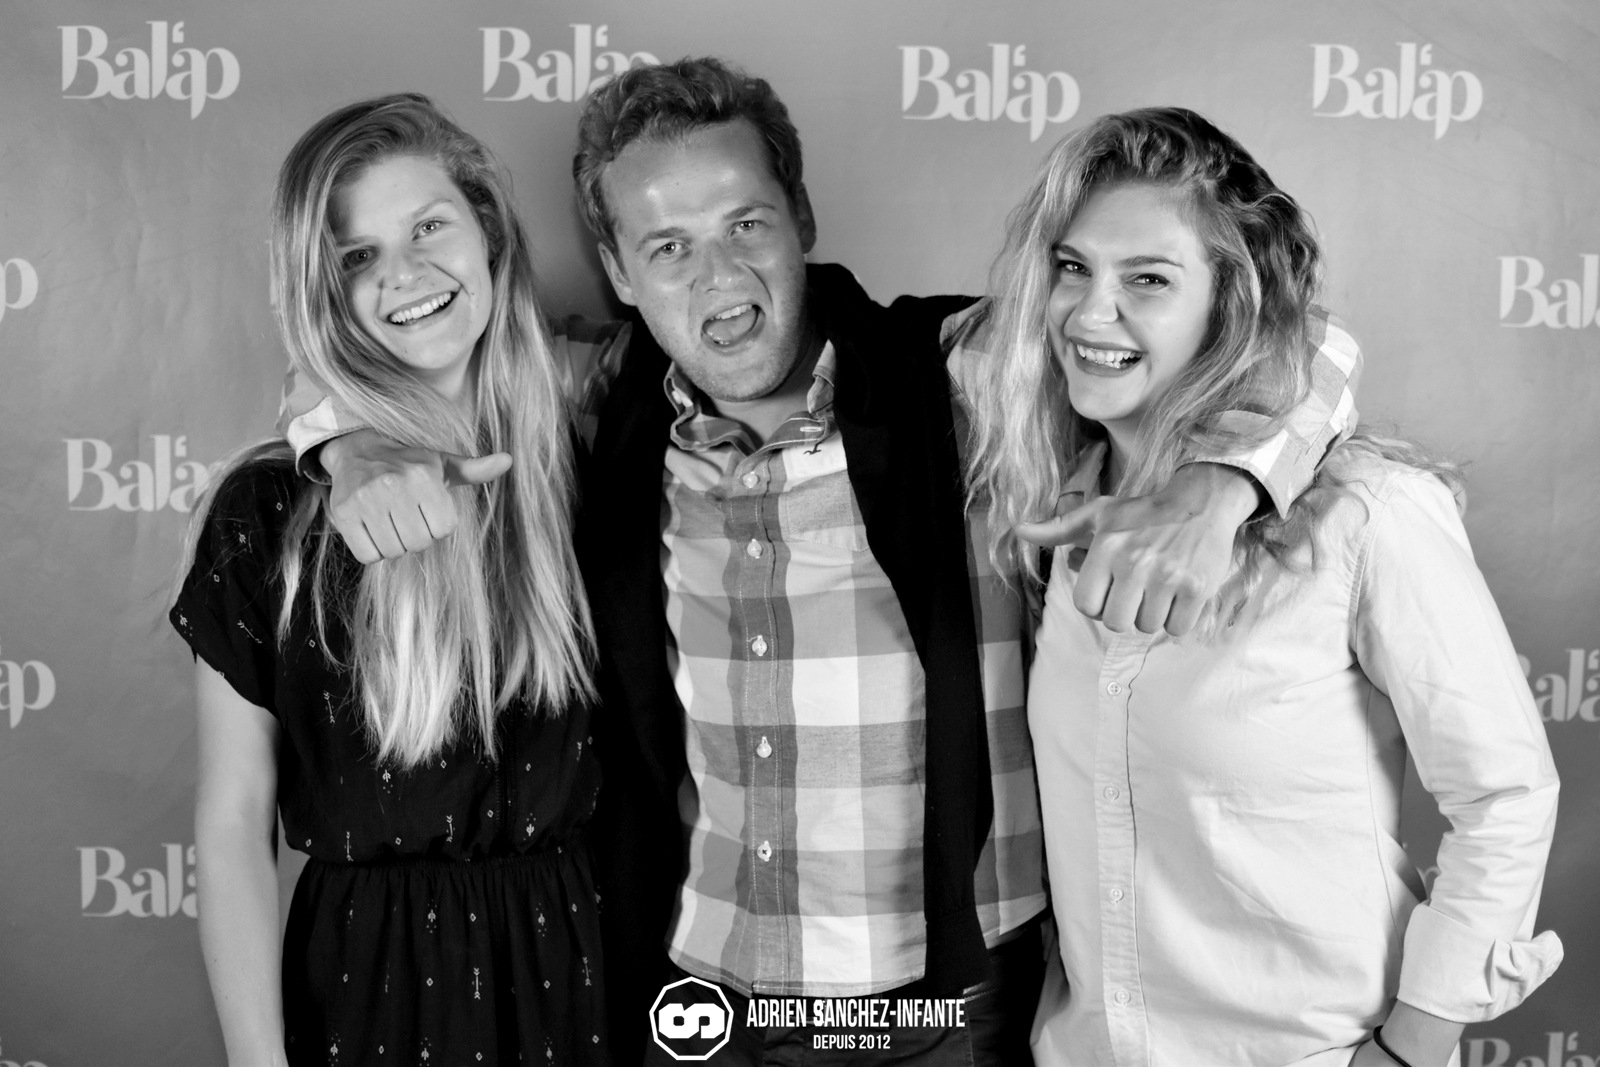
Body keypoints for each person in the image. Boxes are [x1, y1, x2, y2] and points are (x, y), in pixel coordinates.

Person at [280, 61, 1361, 1064]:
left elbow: (1304, 344)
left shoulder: (965, 374)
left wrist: (1223, 483)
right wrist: (345, 443)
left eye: (745, 222)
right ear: (616, 270)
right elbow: (394, 348)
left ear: (799, 216)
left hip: (943, 1000)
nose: (717, 274)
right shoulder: (595, 398)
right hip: (702, 995)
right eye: (666, 247)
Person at [959, 107, 1562, 1067]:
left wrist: (1412, 1048)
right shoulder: (1054, 511)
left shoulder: (1366, 513)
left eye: (1148, 279)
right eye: (1072, 268)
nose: (1089, 313)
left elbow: (1506, 795)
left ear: (1230, 305)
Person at [171, 94, 607, 1066]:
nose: (403, 273)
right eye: (356, 256)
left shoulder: (586, 458)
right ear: (323, 293)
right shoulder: (266, 512)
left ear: (488, 229)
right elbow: (233, 817)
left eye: (428, 227)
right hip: (366, 986)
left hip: (581, 973)